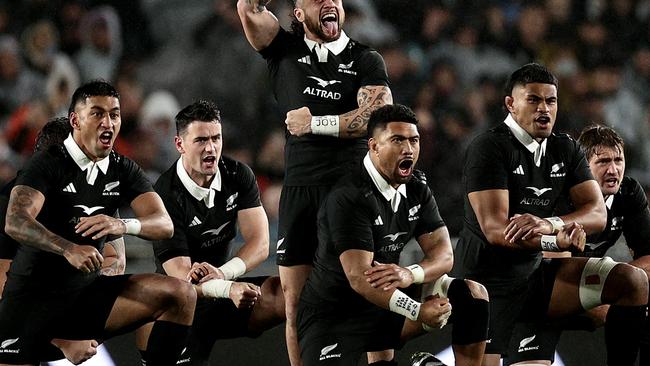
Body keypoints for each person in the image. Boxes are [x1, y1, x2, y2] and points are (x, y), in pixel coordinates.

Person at [451, 63, 649, 366]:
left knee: (632, 281)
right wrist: (555, 242)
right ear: (510, 104)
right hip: (488, 285)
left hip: (538, 278)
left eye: (551, 101)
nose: (544, 108)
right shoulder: (489, 147)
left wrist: (549, 223)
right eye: (533, 100)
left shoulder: (565, 148)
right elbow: (496, 232)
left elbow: (596, 213)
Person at [236, 1, 393, 363]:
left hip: (351, 191)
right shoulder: (283, 48)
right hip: (300, 190)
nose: (329, 3)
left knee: (368, 292)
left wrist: (317, 123)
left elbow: (379, 117)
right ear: (298, 12)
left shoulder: (366, 59)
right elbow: (248, 7)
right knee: (296, 303)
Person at [0, 80, 197, 366]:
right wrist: (68, 249)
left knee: (180, 293)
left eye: (114, 114)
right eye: (97, 114)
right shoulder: (25, 186)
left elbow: (151, 234)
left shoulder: (115, 172)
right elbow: (10, 253)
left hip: (81, 303)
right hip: (28, 312)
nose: (107, 123)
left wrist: (122, 226)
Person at [297, 104, 490, 366]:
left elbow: (444, 255)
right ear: (374, 146)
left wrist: (411, 274)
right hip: (336, 315)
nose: (408, 149)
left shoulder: (417, 189)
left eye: (414, 140)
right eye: (397, 140)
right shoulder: (349, 195)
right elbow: (359, 278)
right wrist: (418, 311)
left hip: (386, 303)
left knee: (473, 296)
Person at [135, 100, 285, 365]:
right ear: (179, 144)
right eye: (201, 140)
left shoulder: (237, 175)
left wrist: (225, 274)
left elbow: (261, 243)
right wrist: (228, 288)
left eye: (216, 138)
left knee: (287, 293)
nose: (211, 148)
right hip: (181, 303)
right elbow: (181, 274)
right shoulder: (164, 194)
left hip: (223, 290)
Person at [503, 124, 650, 365]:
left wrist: (622, 284)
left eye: (618, 160)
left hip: (587, 291)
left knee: (637, 291)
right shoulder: (558, 194)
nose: (613, 170)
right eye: (603, 162)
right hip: (537, 300)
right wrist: (612, 289)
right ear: (582, 166)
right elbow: (553, 271)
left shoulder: (629, 194)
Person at [0, 117, 126, 365]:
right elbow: (3, 287)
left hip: (76, 318)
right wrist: (60, 339)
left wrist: (81, 309)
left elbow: (116, 260)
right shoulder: (9, 203)